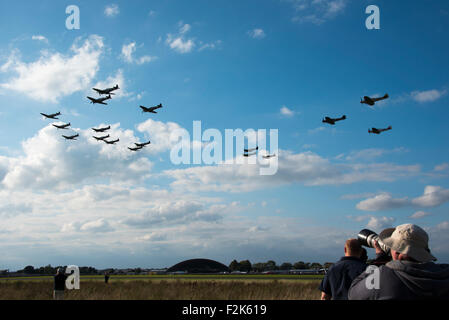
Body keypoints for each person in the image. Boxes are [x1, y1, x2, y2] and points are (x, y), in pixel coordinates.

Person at [349, 223, 449, 300]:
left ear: (397, 252)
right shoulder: (444, 273)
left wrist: (379, 258)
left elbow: (353, 294)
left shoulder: (383, 276)